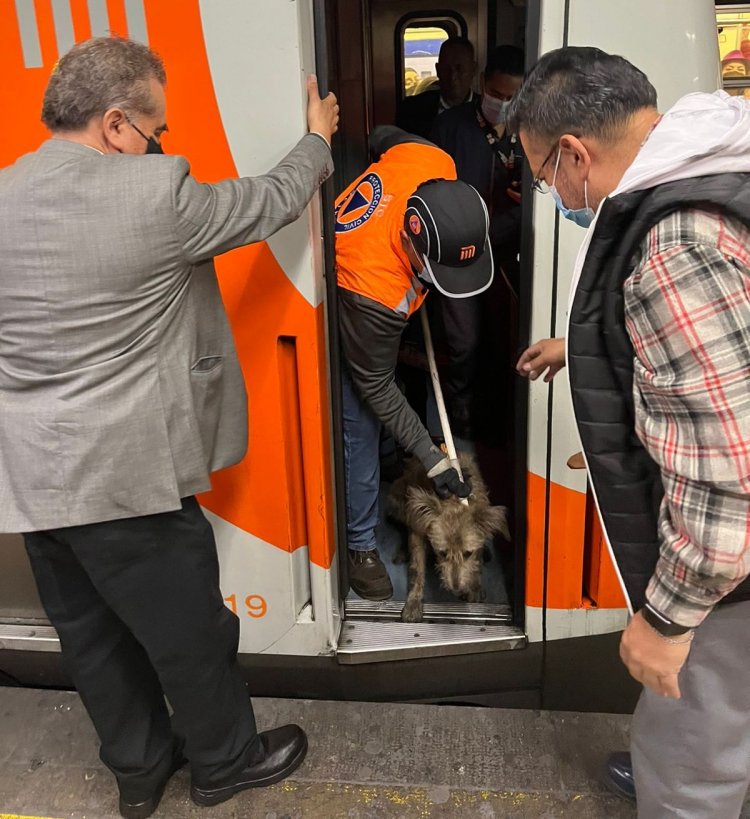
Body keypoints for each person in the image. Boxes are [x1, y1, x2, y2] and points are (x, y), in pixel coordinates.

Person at [0, 36, 338, 818]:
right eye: (156, 133)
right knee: (191, 635)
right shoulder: (154, 195)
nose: (160, 147)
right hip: (127, 479)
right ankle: (224, 762)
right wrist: (318, 138)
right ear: (117, 124)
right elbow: (268, 199)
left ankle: (140, 775)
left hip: (33, 483)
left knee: (92, 642)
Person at [510, 47, 750, 817]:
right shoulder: (717, 170)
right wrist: (582, 350)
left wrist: (669, 618)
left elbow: (729, 473)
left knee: (693, 759)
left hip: (730, 587)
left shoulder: (676, 242)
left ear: (574, 153)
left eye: (544, 175)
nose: (551, 192)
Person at [336, 125, 493, 600]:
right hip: (345, 298)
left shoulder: (432, 159)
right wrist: (433, 460)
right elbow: (377, 384)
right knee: (359, 419)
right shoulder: (375, 292)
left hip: (381, 288)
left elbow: (383, 135)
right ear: (410, 238)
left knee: (390, 401)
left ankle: (391, 461)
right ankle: (360, 545)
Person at [430, 45, 525, 436]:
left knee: (507, 340)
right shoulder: (450, 127)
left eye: (512, 98)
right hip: (459, 255)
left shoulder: (529, 130)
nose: (503, 104)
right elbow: (430, 190)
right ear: (483, 83)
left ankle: (500, 419)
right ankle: (459, 415)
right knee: (464, 343)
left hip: (509, 252)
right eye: (498, 95)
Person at [395, 37, 477, 138]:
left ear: (474, 69)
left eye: (459, 69)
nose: (452, 76)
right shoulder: (410, 111)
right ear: (438, 70)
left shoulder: (487, 111)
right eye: (446, 69)